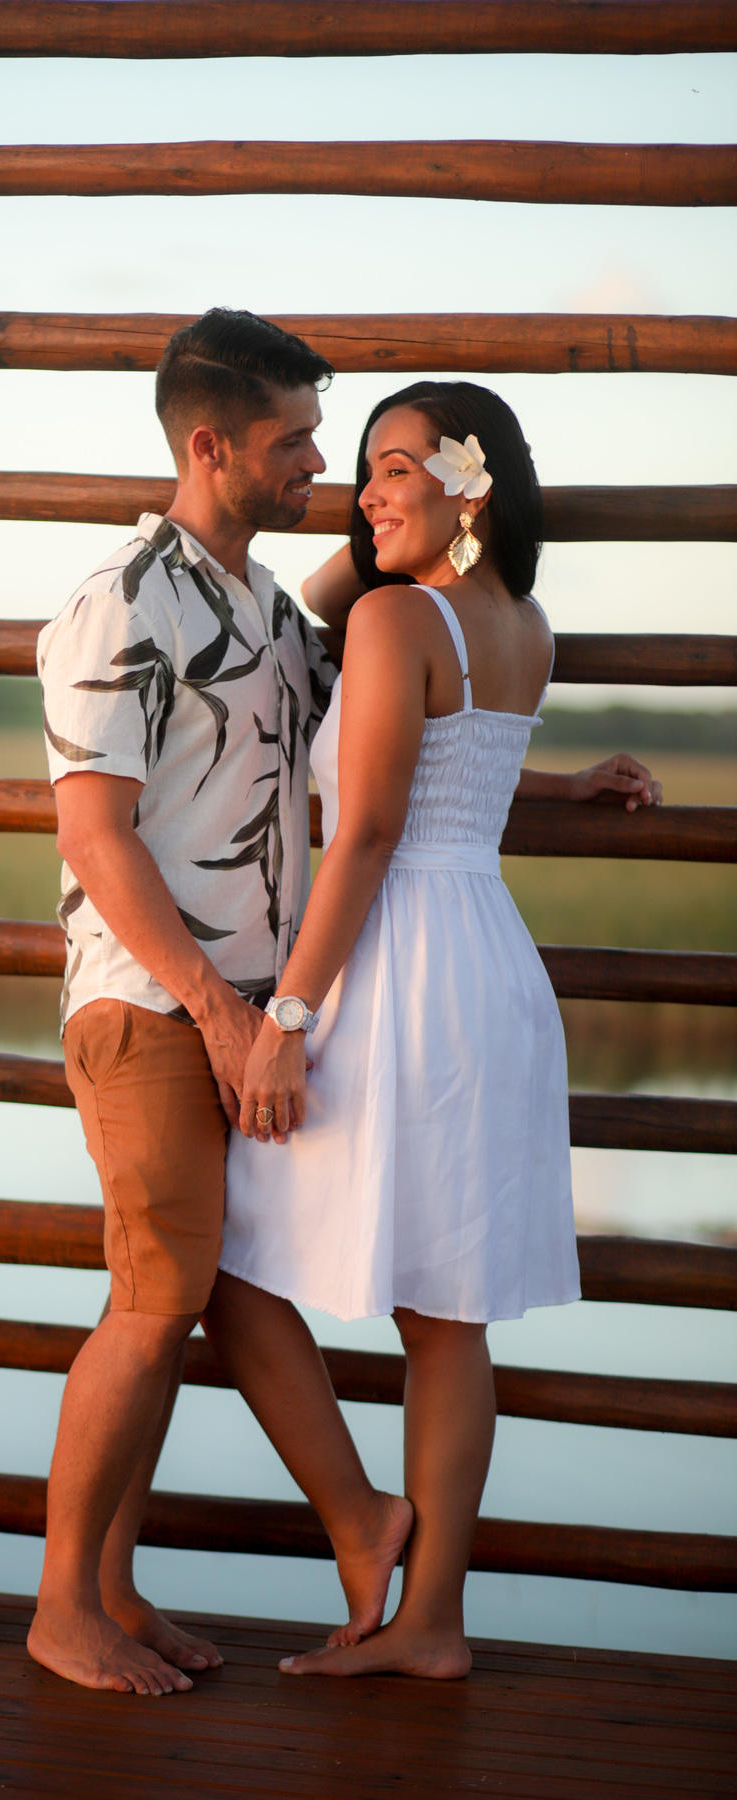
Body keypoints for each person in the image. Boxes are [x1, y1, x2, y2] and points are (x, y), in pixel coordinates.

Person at [215, 380, 661, 1680]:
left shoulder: (399, 614)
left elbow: (363, 829)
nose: (364, 493)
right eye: (359, 472)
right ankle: (435, 1624)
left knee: (236, 1261)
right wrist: (406, 515)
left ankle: (375, 1537)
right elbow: (466, 771)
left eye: (394, 469)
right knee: (446, 1318)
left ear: (472, 483)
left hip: (393, 964)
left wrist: (288, 1015)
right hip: (487, 965)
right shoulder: (519, 618)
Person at [27, 309, 412, 1697]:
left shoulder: (257, 608)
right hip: (147, 1003)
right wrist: (222, 1013)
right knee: (157, 1294)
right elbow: (96, 837)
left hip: (238, 1011)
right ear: (209, 446)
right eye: (293, 440)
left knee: (212, 1289)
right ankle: (61, 1603)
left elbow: (372, 762)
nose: (319, 461)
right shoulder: (121, 600)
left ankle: (120, 1591)